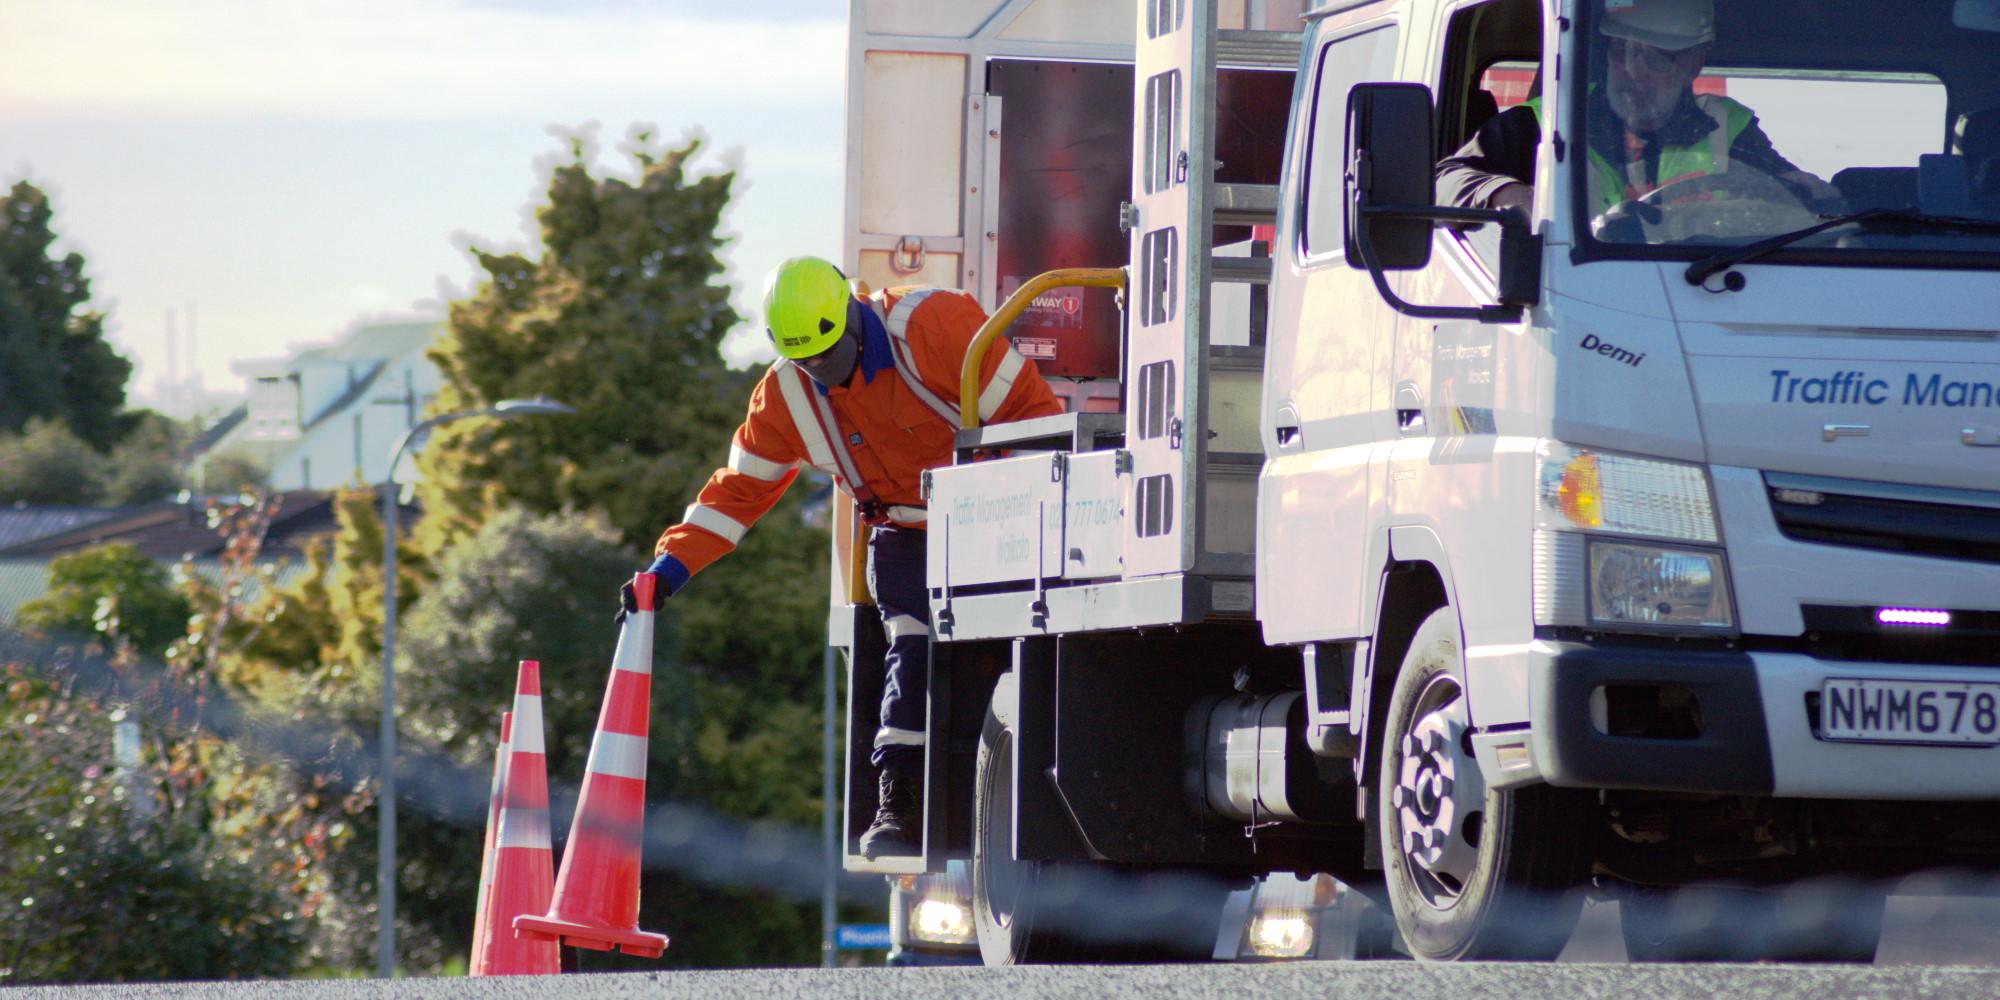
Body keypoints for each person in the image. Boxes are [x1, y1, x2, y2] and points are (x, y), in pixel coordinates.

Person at [622, 256, 1063, 859]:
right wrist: (668, 569)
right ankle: (898, 803)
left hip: (993, 516)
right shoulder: (783, 394)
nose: (822, 374)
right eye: (805, 361)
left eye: (829, 356)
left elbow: (1035, 422)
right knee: (910, 645)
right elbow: (738, 491)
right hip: (903, 535)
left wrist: (1000, 517)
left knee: (1018, 649)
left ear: (853, 316)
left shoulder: (936, 326)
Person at [1437, 0, 1837, 225]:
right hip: (1572, 295)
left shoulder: (1728, 128)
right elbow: (1441, 181)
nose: (1632, 71)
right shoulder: (1544, 121)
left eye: (1654, 59)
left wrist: (1809, 192)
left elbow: (1789, 196)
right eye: (1620, 51)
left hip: (1701, 292)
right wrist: (1508, 194)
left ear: (1693, 65)